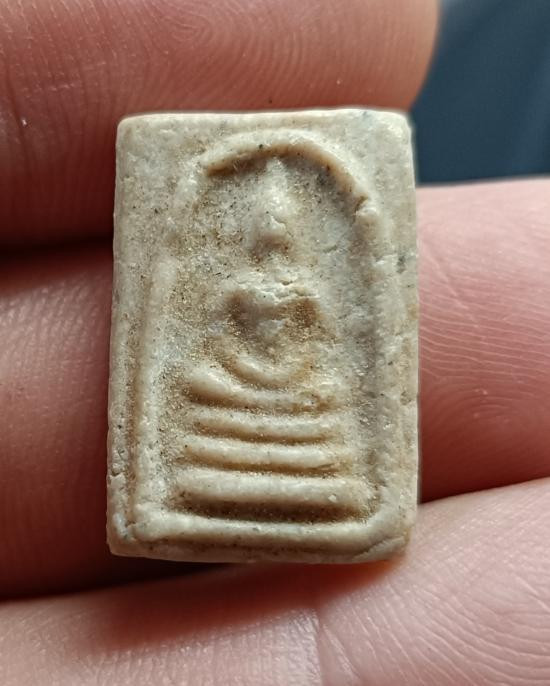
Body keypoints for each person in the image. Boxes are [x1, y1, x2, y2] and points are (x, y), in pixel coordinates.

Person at [0, 1, 549, 684]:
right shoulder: (234, 284)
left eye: (282, 233)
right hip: (234, 386)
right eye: (265, 232)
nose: (273, 241)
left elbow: (323, 345)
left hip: (293, 389)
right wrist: (236, 368)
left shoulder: (310, 287)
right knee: (204, 385)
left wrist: (293, 374)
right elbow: (212, 342)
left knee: (324, 395)